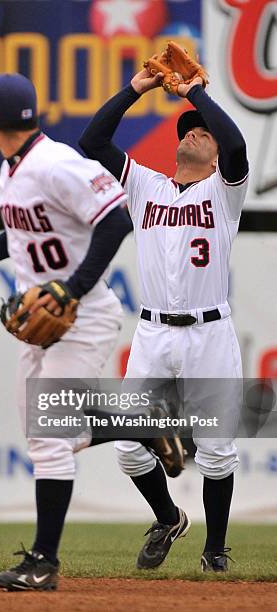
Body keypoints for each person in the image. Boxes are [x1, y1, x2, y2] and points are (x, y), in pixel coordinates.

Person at [0, 72, 134, 592]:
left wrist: (72, 288)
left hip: (83, 316)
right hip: (44, 322)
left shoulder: (56, 163)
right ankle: (146, 426)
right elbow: (22, 234)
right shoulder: (14, 171)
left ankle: (44, 562)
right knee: (44, 434)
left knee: (50, 438)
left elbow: (116, 219)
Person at [79, 65, 249, 572]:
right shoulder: (145, 186)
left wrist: (193, 92)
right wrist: (139, 88)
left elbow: (237, 145)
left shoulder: (225, 192)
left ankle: (214, 550)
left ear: (216, 153)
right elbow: (93, 140)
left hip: (210, 333)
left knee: (217, 452)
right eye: (186, 129)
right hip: (153, 333)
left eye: (203, 131)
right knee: (130, 448)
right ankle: (169, 517)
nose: (194, 132)